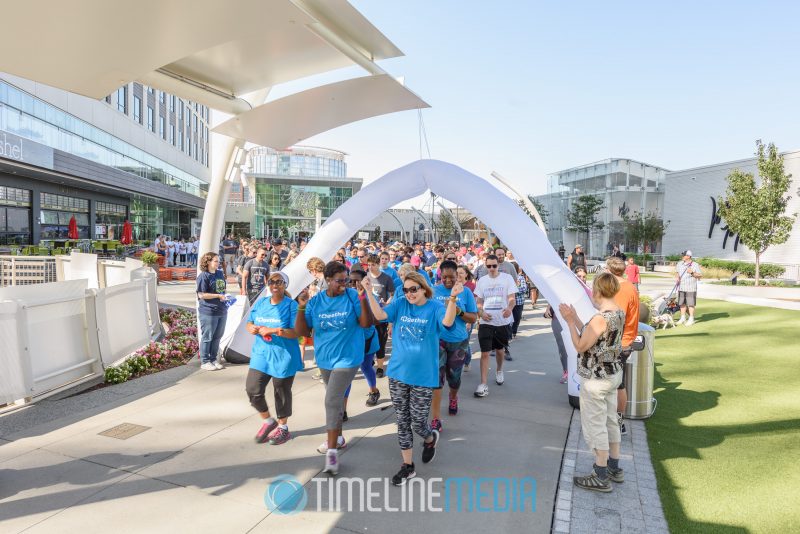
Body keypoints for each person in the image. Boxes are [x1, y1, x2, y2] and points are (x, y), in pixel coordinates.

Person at [362, 271, 460, 486]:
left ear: (423, 288)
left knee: (417, 422)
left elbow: (448, 321)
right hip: (397, 373)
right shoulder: (400, 304)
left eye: (413, 289)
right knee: (403, 421)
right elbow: (380, 316)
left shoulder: (434, 307)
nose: (409, 294)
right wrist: (369, 291)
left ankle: (429, 437)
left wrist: (452, 298)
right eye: (405, 290)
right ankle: (408, 466)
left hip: (423, 377)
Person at [295, 261, 373, 475]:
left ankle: (331, 453)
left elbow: (366, 323)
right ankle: (338, 437)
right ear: (327, 280)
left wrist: (363, 298)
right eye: (340, 281)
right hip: (325, 359)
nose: (344, 284)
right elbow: (303, 331)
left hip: (348, 359)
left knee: (331, 400)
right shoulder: (316, 301)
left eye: (346, 280)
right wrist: (301, 307)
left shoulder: (352, 297)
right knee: (335, 402)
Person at [559, 273, 624, 493]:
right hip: (612, 374)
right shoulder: (617, 312)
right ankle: (614, 466)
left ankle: (601, 473)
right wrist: (576, 318)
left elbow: (580, 345)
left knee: (596, 425)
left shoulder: (600, 318)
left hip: (597, 379)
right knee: (610, 421)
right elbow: (592, 335)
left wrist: (569, 322)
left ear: (597, 291)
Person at [245, 271, 301, 445]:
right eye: (272, 281)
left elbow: (296, 333)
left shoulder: (291, 306)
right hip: (261, 354)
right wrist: (251, 328)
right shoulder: (261, 302)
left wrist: (274, 330)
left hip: (283, 356)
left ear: (285, 285)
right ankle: (268, 421)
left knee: (281, 392)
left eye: (279, 282)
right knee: (253, 389)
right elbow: (249, 322)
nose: (275, 285)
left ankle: (283, 428)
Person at [430, 260, 477, 429]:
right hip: (438, 340)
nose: (448, 280)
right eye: (445, 277)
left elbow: (473, 317)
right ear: (440, 276)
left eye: (452, 277)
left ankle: (453, 396)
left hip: (458, 341)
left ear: (458, 276)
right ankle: (435, 419)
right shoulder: (433, 291)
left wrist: (459, 312)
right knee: (437, 379)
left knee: (454, 378)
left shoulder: (465, 293)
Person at [474, 254, 517, 397]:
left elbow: (512, 299)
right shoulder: (482, 281)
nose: (491, 268)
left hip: (502, 321)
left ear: (498, 265)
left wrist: (510, 309)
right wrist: (481, 312)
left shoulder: (507, 278)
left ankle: (499, 370)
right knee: (485, 353)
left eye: (494, 265)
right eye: (489, 266)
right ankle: (483, 384)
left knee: (500, 351)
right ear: (485, 266)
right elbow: (479, 300)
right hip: (486, 321)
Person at [606, 256, 639, 436]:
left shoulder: (619, 289)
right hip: (625, 340)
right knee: (618, 383)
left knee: (617, 384)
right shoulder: (629, 286)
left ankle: (618, 423)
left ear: (609, 270)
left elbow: (615, 317)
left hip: (618, 342)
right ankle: (617, 422)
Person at [341, 269, 381, 416]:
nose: (354, 284)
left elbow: (378, 319)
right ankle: (343, 410)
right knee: (347, 374)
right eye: (350, 281)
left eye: (358, 280)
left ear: (366, 281)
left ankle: (373, 390)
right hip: (349, 342)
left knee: (365, 367)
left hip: (367, 340)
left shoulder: (371, 297)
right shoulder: (344, 297)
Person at [196, 252, 229, 371]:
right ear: (208, 262)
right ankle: (205, 361)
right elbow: (201, 294)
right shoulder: (203, 276)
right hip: (208, 311)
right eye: (215, 261)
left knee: (217, 336)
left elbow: (222, 291)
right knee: (208, 336)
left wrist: (226, 297)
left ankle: (213, 359)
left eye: (218, 260)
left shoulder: (220, 273)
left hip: (222, 310)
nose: (218, 263)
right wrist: (217, 296)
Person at [456, 265, 477, 373]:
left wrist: (469, 322)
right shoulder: (453, 286)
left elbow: (474, 305)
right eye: (457, 272)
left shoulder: (471, 287)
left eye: (461, 273)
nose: (458, 275)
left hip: (468, 317)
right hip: (455, 319)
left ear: (466, 274)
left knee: (464, 342)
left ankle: (467, 361)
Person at [676, 250, 702, 326]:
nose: (682, 257)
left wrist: (692, 272)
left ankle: (691, 319)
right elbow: (677, 272)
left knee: (691, 304)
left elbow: (700, 276)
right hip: (681, 287)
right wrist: (677, 278)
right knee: (682, 304)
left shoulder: (695, 265)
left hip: (691, 287)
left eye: (684, 255)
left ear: (688, 256)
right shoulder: (679, 264)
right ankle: (683, 318)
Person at [511, 263, 528, 340]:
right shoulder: (506, 278)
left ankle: (514, 332)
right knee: (508, 318)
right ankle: (508, 333)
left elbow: (524, 289)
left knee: (517, 318)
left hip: (519, 302)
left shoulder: (520, 278)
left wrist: (513, 289)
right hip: (508, 302)